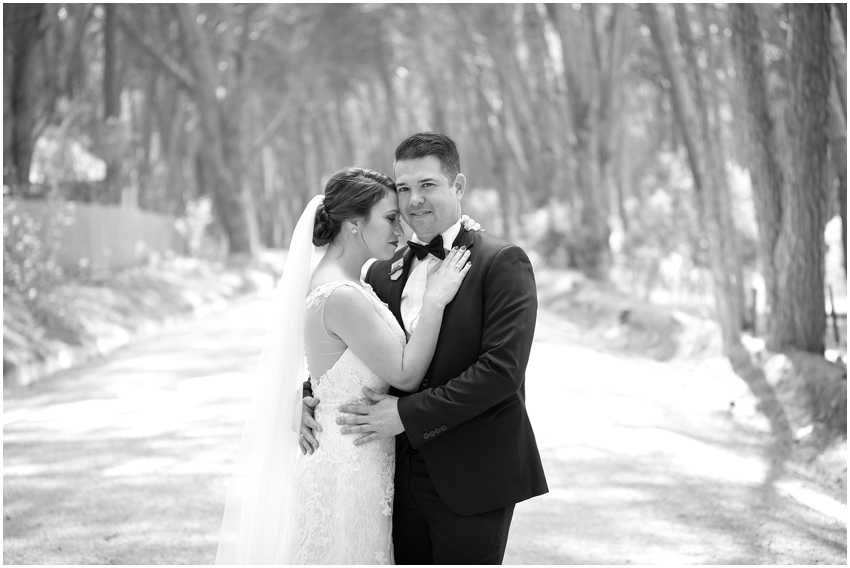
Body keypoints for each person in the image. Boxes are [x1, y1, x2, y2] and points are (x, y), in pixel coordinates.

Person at [302, 132, 549, 564]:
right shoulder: (380, 272)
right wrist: (308, 398)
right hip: (392, 477)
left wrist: (407, 414)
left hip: (472, 475)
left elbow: (501, 371)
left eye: (427, 184)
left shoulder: (501, 262)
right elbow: (351, 353)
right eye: (403, 188)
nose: (413, 200)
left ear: (458, 186)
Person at [215, 167, 473, 564]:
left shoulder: (348, 283)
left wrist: (304, 394)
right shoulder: (342, 295)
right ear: (354, 222)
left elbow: (330, 369)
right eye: (390, 218)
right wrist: (435, 301)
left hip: (358, 457)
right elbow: (405, 374)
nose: (401, 230)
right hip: (347, 468)